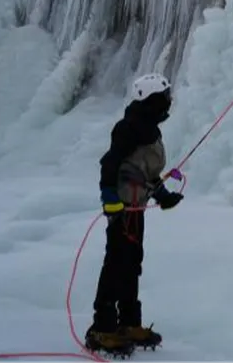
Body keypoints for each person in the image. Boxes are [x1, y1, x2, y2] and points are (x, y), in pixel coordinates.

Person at [85, 72, 184, 357]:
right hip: (122, 210)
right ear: (151, 101)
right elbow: (110, 164)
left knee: (132, 264)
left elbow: (146, 174)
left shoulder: (150, 129)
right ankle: (102, 328)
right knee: (116, 264)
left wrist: (163, 197)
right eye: (164, 98)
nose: (168, 103)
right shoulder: (127, 128)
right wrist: (109, 197)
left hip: (136, 209)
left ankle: (129, 323)